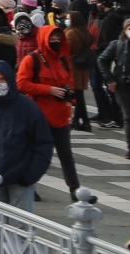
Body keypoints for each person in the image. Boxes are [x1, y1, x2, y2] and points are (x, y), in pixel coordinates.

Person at [0, 61, 56, 211]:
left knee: (20, 227)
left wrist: (31, 175)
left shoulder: (28, 107)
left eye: (2, 79)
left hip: (19, 178)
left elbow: (43, 143)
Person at [16, 24, 81, 196]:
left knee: (66, 156)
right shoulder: (32, 60)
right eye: (52, 39)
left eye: (58, 39)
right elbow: (22, 83)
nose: (56, 42)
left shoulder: (63, 59)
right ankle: (30, 184)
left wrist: (71, 99)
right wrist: (49, 90)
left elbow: (70, 82)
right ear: (44, 39)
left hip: (61, 116)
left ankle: (75, 190)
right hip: (40, 116)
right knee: (37, 153)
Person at [99, 17, 130, 160]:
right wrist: (110, 79)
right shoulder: (117, 45)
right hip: (124, 88)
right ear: (125, 31)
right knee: (128, 118)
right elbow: (102, 60)